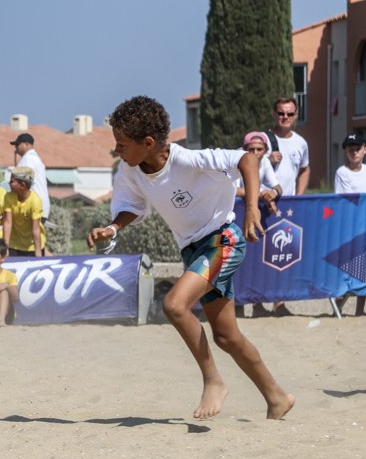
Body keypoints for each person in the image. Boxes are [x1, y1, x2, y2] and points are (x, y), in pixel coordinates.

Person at [87, 95, 294, 420]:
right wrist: (113, 228)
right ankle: (277, 396)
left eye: (122, 144)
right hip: (194, 251)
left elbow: (248, 161)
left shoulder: (190, 160)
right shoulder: (131, 171)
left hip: (222, 241)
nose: (117, 150)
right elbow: (132, 206)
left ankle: (213, 380)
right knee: (226, 336)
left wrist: (252, 207)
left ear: (149, 142)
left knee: (174, 305)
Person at [255, 97, 309, 317]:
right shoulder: (264, 139)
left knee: (285, 255)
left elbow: (305, 169)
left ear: (295, 116)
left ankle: (280, 303)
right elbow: (247, 160)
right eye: (281, 113)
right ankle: (257, 302)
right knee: (259, 255)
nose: (284, 117)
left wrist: (300, 196)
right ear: (274, 114)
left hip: (288, 207)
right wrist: (266, 157)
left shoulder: (301, 143)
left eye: (289, 114)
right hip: (261, 203)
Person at [333, 134, 366, 317]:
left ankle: (359, 310)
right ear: (345, 151)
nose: (354, 152)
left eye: (358, 148)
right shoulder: (342, 172)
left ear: (365, 149)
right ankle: (338, 305)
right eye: (350, 149)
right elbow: (345, 200)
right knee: (348, 270)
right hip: (350, 228)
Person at [10, 132, 50, 254]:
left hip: (32, 207)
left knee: (31, 245)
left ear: (26, 144)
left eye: (18, 144)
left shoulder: (28, 159)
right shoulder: (35, 159)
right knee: (37, 241)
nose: (15, 147)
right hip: (39, 206)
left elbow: (21, 184)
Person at [234, 132, 282, 213]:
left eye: (259, 149)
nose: (255, 153)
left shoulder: (265, 161)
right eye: (251, 149)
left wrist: (273, 193)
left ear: (266, 150)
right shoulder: (236, 160)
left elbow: (278, 188)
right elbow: (235, 190)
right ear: (244, 149)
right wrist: (262, 196)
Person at [2, 166, 43, 257]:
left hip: (31, 246)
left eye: (12, 181)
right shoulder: (8, 197)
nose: (9, 183)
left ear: (22, 185)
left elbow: (35, 229)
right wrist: (5, 247)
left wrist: (38, 251)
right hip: (14, 245)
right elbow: (8, 223)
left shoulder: (35, 201)